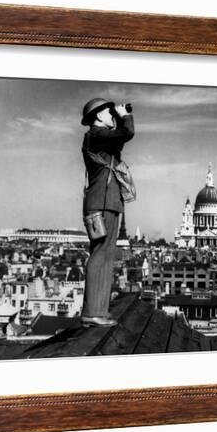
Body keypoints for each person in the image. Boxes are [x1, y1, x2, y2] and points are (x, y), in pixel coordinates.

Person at [80, 98, 135, 327]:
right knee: (100, 255)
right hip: (102, 204)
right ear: (98, 116)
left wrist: (120, 119)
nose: (111, 114)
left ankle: (98, 312)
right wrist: (124, 116)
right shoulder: (96, 134)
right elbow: (127, 133)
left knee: (105, 256)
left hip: (108, 203)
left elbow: (119, 142)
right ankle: (92, 312)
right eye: (108, 112)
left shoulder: (102, 139)